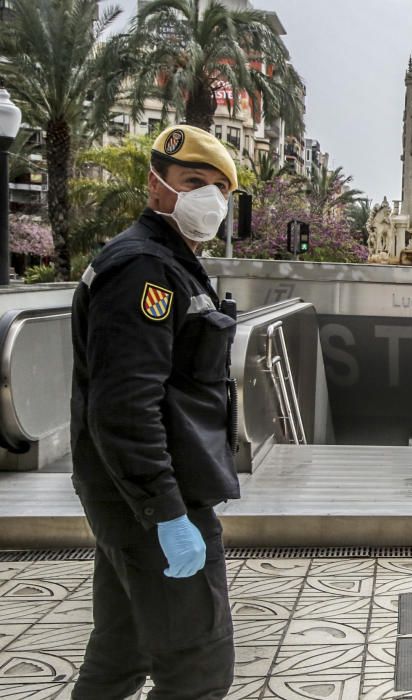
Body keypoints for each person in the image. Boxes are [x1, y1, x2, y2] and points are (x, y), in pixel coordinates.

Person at [70, 124, 241, 699]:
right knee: (197, 668)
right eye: (194, 181)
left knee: (122, 653)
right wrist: (167, 512)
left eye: (221, 189)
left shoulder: (169, 262)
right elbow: (124, 406)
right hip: (157, 506)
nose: (210, 199)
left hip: (132, 502)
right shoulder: (143, 269)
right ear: (157, 187)